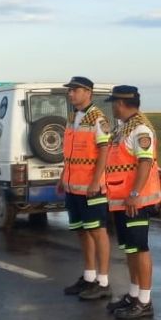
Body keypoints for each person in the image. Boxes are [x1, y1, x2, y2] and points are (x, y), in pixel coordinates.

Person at [103, 85, 161, 319]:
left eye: (113, 103)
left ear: (120, 103)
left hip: (135, 200)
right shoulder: (123, 129)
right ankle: (134, 294)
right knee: (129, 248)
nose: (112, 107)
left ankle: (145, 301)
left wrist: (135, 194)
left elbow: (145, 163)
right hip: (121, 199)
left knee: (140, 248)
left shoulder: (140, 129)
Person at [59, 76, 113, 300]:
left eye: (75, 90)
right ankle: (89, 276)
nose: (71, 94)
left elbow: (104, 152)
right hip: (74, 186)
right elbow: (71, 153)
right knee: (82, 231)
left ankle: (103, 281)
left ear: (88, 93)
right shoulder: (73, 118)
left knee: (97, 231)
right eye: (70, 90)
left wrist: (95, 180)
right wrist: (63, 176)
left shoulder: (97, 119)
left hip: (92, 187)